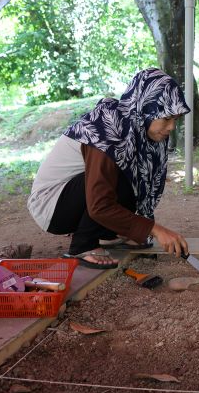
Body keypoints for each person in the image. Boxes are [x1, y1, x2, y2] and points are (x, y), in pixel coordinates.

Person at [27, 68, 190, 269]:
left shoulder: (136, 129)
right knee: (122, 176)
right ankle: (83, 245)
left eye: (176, 119)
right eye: (166, 118)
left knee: (128, 176)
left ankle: (107, 234)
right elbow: (99, 204)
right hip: (52, 206)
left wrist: (139, 229)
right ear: (145, 109)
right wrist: (155, 229)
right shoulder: (108, 129)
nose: (172, 127)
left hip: (79, 197)